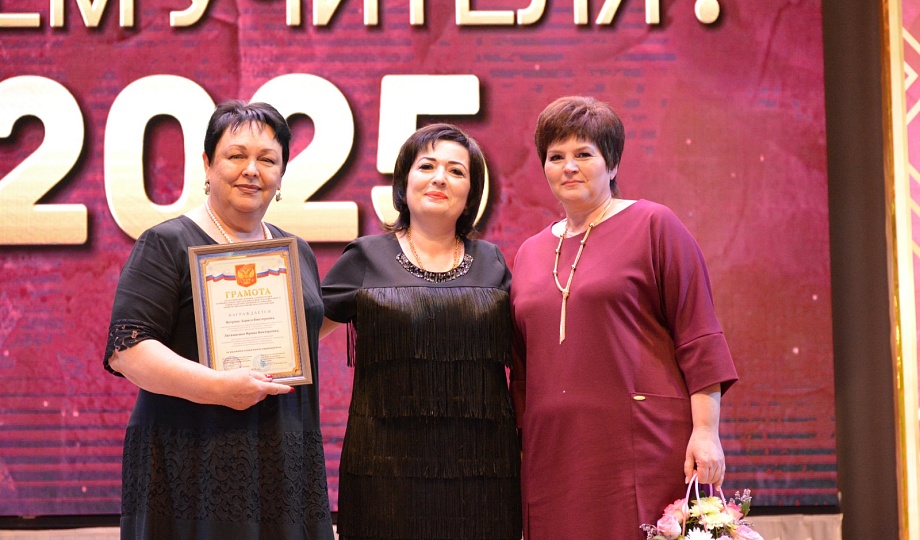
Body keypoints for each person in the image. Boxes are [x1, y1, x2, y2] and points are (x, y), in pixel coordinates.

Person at [103, 100, 335, 539]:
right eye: (236, 155)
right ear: (208, 164)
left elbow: (303, 335)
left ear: (282, 174)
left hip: (282, 454)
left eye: (268, 160)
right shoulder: (165, 243)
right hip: (190, 457)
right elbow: (128, 351)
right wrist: (218, 388)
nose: (252, 170)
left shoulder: (296, 251)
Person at [510, 95, 739, 539]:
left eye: (583, 154)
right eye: (556, 157)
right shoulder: (529, 253)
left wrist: (706, 432)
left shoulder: (655, 225)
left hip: (645, 447)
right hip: (552, 455)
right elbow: (522, 368)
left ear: (612, 164)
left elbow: (698, 335)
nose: (569, 167)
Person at [320, 123, 522, 540]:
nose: (440, 178)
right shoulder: (365, 256)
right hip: (383, 472)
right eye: (427, 166)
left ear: (471, 192)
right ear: (404, 181)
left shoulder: (493, 261)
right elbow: (300, 334)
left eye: (456, 171)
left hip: (482, 472)